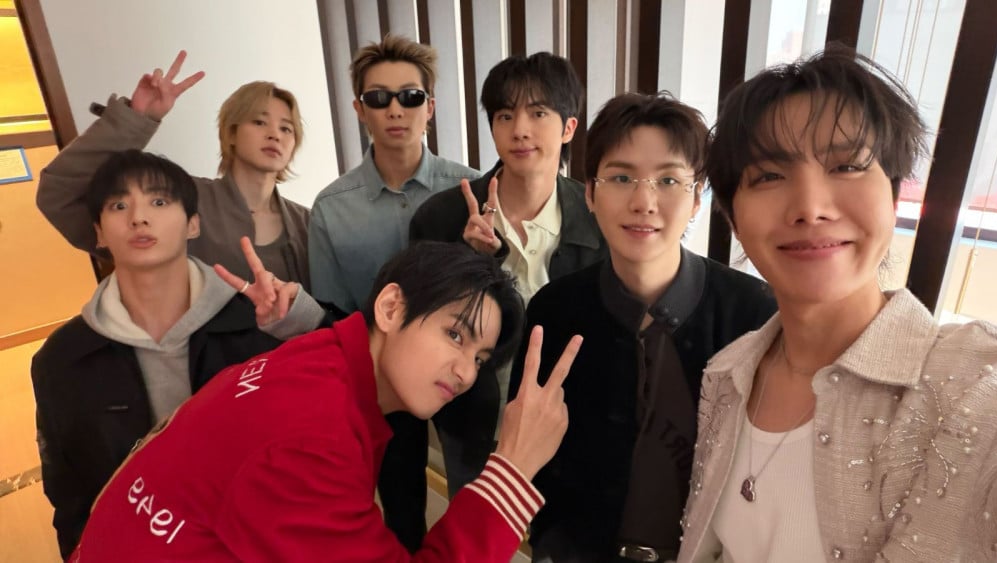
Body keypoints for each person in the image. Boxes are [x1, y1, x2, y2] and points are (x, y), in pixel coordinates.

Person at [677, 47, 997, 562]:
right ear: (733, 217)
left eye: (847, 165)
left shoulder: (975, 387)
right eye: (769, 176)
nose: (811, 208)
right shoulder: (727, 374)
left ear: (893, 195)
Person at [69, 241, 583, 562]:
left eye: (481, 358)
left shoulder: (319, 363)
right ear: (390, 307)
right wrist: (513, 469)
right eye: (455, 335)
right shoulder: (311, 437)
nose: (466, 372)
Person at [509, 93, 776, 563]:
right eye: (621, 177)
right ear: (590, 193)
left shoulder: (752, 314)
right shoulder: (555, 309)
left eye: (669, 180)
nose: (643, 202)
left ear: (697, 198)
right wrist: (549, 540)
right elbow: (529, 446)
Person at [31, 150, 326, 557]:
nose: (139, 218)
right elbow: (69, 493)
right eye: (119, 206)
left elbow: (328, 413)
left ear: (192, 225)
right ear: (98, 232)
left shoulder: (258, 325)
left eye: (158, 201)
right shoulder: (62, 359)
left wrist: (299, 322)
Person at [402, 50, 606, 546]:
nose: (520, 130)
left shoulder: (598, 216)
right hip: (472, 418)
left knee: (562, 540)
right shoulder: (442, 216)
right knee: (478, 540)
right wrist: (468, 260)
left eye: (538, 113)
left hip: (570, 420)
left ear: (568, 127)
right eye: (505, 115)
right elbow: (419, 324)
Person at [36, 51, 312, 290]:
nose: (275, 134)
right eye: (259, 122)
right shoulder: (177, 200)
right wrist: (136, 119)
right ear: (231, 133)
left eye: (286, 128)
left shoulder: (310, 222)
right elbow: (61, 194)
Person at [309, 34, 479, 316]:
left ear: (430, 108)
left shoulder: (471, 189)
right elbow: (331, 316)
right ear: (360, 110)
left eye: (411, 97)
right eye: (378, 98)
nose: (395, 111)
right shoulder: (330, 209)